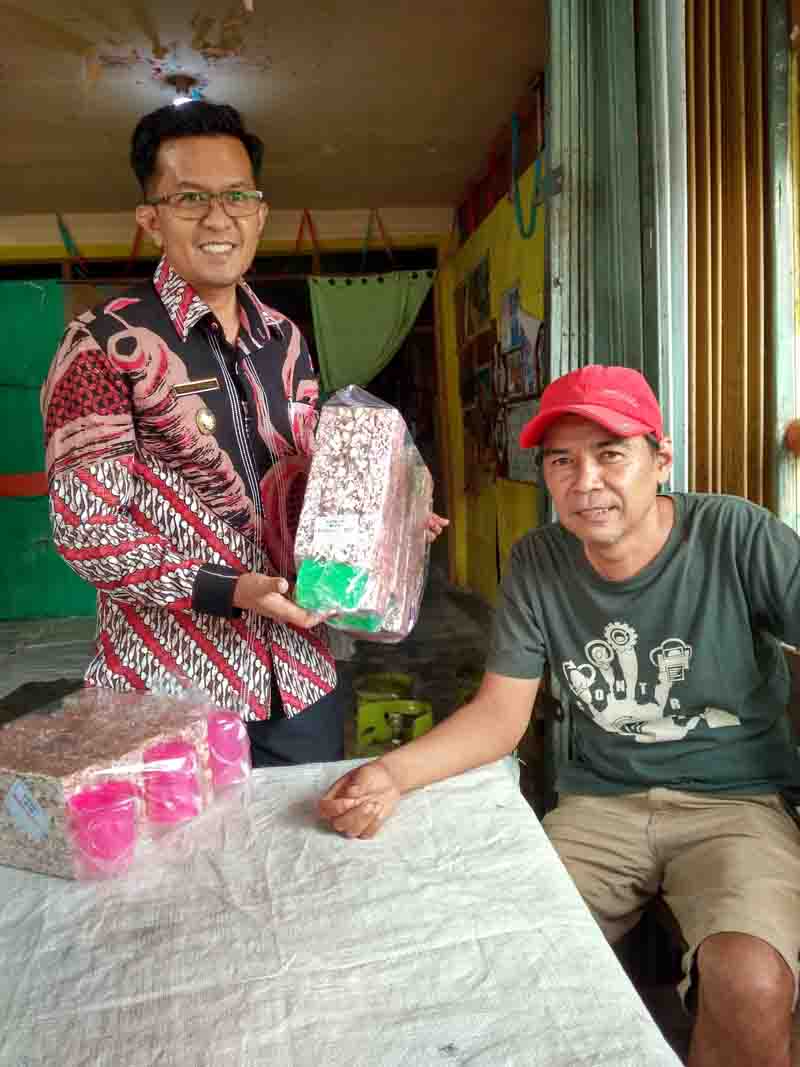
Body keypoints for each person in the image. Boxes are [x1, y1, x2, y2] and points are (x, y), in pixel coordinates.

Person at [319, 364, 800, 1067]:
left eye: (611, 454)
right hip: (600, 803)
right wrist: (391, 775)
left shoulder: (734, 534)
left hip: (737, 804)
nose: (586, 482)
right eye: (562, 461)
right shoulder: (539, 562)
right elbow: (499, 715)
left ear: (661, 459)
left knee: (752, 980)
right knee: (501, 954)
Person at [40, 101, 447, 768]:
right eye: (189, 198)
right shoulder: (103, 344)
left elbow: (315, 477)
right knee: (194, 843)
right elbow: (88, 533)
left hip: (301, 677)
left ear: (260, 214)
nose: (217, 218)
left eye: (236, 196)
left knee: (306, 833)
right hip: (169, 689)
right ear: (151, 219)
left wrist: (387, 518)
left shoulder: (285, 339)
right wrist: (229, 589)